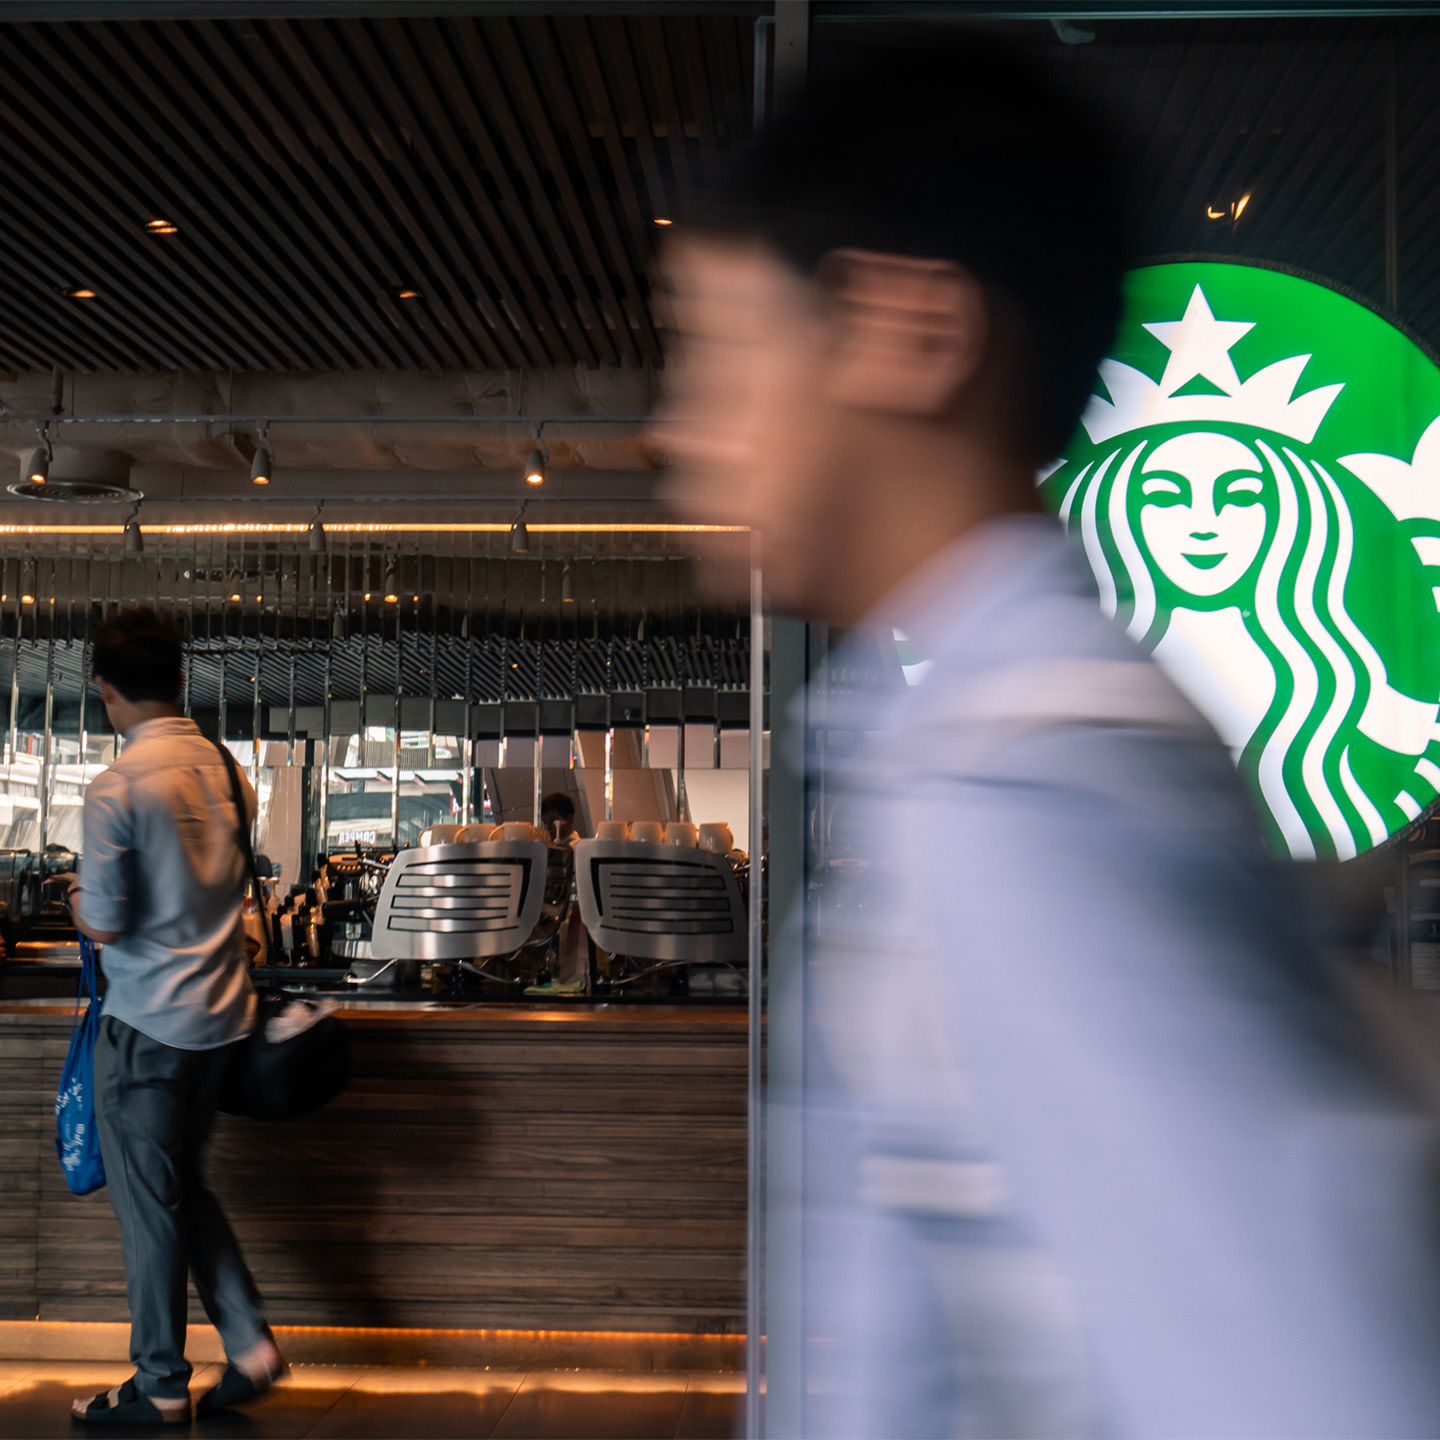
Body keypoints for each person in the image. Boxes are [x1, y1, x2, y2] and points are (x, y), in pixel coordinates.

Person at [660, 26, 1440, 1439]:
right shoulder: (961, 763)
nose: (684, 429)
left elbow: (1299, 1387)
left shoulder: (1028, 805)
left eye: (719, 346)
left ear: (911, 332)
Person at [63, 609, 285, 1427]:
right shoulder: (227, 772)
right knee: (180, 1187)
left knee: (148, 1208)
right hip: (223, 1021)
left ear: (105, 691)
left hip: (148, 1024)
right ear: (182, 683)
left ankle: (159, 1383)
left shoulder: (117, 786)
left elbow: (109, 921)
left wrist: (79, 898)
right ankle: (249, 1343)